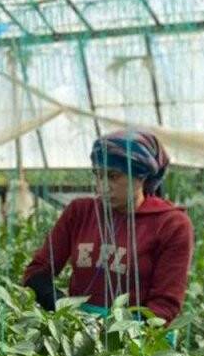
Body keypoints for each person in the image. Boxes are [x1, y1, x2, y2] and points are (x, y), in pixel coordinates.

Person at [22, 129, 193, 322]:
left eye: (113, 176)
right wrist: (69, 313)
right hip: (78, 332)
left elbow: (164, 306)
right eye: (98, 175)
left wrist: (121, 333)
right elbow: (36, 273)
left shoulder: (171, 224)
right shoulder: (80, 212)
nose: (103, 185)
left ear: (141, 176)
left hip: (137, 338)